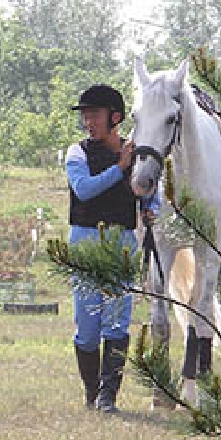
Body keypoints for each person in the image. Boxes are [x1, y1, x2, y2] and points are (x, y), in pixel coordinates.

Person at [65, 84, 158, 414]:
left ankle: (108, 397)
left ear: (115, 118)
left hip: (122, 242)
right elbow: (84, 189)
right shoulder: (76, 153)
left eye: (95, 115)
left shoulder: (137, 154)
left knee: (117, 323)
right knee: (87, 328)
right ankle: (92, 391)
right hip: (85, 242)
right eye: (86, 116)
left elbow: (149, 190)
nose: (88, 122)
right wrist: (119, 168)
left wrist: (150, 208)